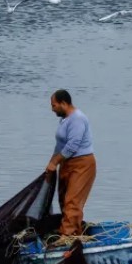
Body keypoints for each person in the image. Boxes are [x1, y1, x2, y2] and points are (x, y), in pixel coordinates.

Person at [45, 89, 96, 236]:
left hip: (82, 164)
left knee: (72, 201)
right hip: (66, 164)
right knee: (63, 199)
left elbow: (73, 145)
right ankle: (74, 232)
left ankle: (67, 237)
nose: (52, 109)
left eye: (54, 105)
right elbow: (60, 146)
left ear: (64, 103)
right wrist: (51, 164)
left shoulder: (77, 118)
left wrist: (55, 162)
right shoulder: (65, 120)